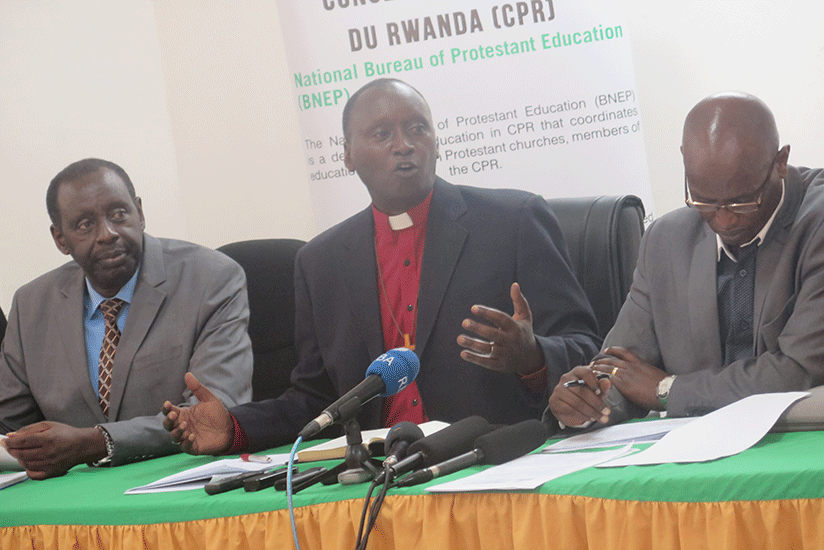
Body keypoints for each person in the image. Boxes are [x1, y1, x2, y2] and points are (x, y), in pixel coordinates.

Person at [163, 78, 600, 454]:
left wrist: (534, 357)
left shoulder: (514, 220)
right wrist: (236, 427)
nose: (404, 145)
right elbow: (317, 398)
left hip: (491, 457)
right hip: (376, 473)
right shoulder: (320, 261)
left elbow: (586, 346)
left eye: (417, 129)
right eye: (382, 134)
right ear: (348, 154)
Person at [548, 92, 824, 429]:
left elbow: (802, 370)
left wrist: (667, 389)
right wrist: (586, 400)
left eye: (741, 202)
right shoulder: (666, 239)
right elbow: (623, 367)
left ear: (781, 162)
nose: (723, 221)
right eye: (704, 201)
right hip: (697, 450)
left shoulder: (817, 222)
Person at [0, 158, 253, 479]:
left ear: (140, 213)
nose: (107, 234)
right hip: (73, 501)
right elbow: (10, 426)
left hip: (183, 481)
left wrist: (94, 442)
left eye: (119, 214)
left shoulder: (212, 278)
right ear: (60, 239)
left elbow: (215, 413)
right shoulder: (31, 304)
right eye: (84, 224)